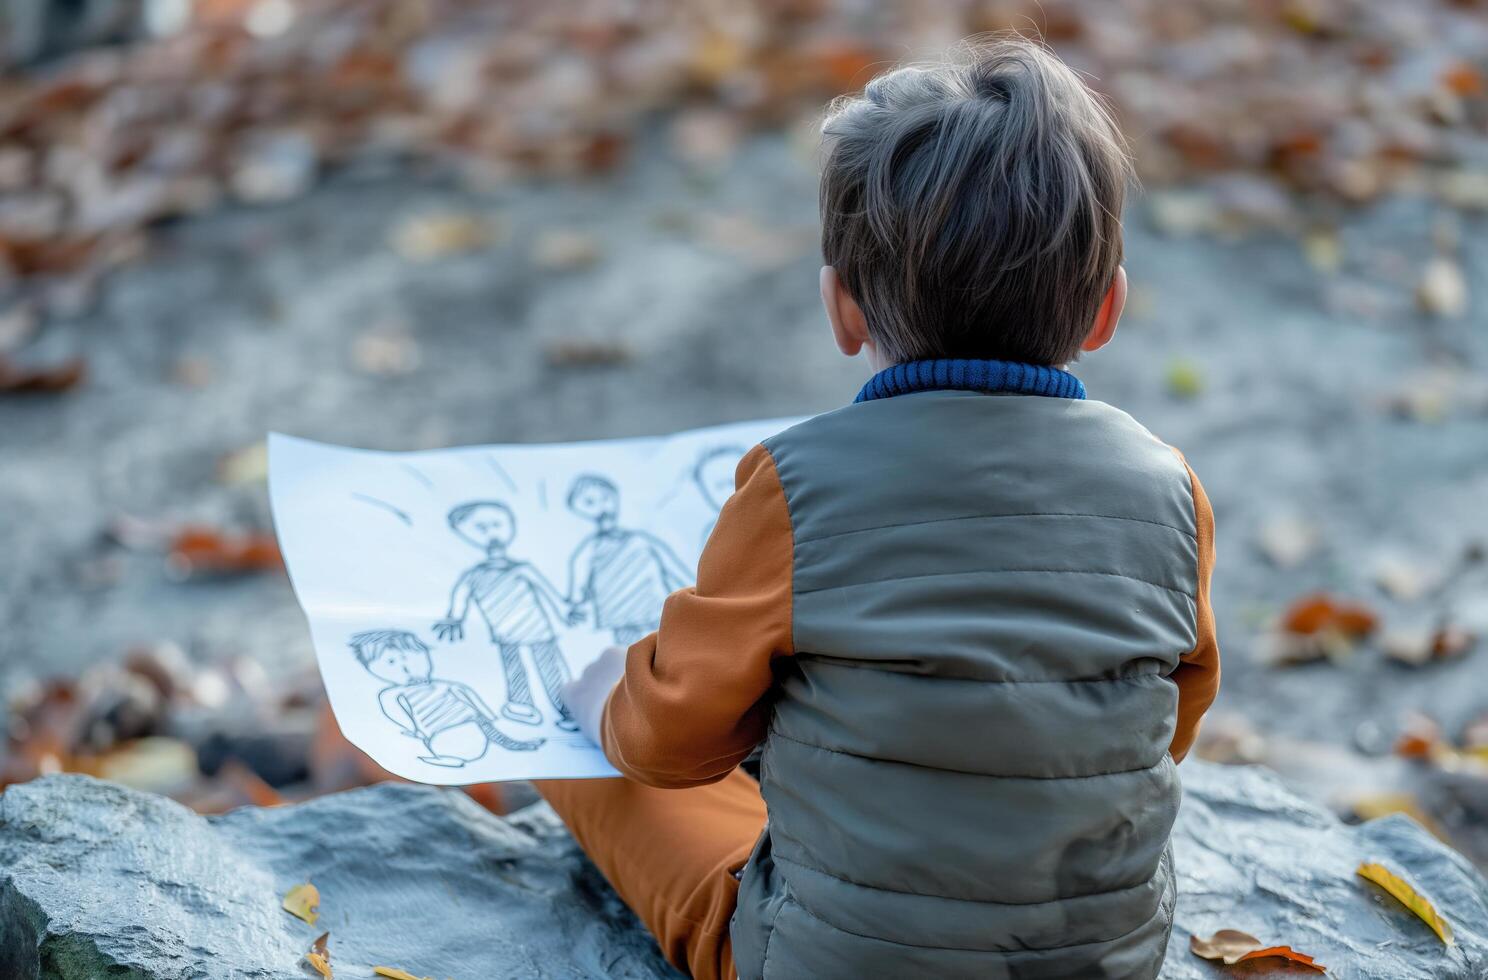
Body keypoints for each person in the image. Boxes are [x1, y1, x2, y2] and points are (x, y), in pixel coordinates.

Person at [537, 37, 1221, 980]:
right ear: (1107, 310)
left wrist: (606, 697)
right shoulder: (1168, 488)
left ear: (842, 307)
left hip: (825, 963)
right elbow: (1172, 717)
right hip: (1104, 960)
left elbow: (671, 741)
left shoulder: (797, 482)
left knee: (615, 781)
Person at [434, 501, 578, 731]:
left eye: (497, 525)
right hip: (504, 632)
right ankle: (521, 706)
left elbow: (548, 592)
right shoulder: (474, 575)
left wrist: (564, 610)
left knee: (551, 668)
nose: (492, 534)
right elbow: (461, 596)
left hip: (537, 628)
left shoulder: (522, 568)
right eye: (481, 529)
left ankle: (570, 709)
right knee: (514, 669)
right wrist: (455, 618)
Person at [348, 629, 543, 766]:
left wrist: (489, 716)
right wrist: (413, 730)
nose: (405, 665)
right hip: (437, 733)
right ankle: (446, 757)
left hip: (471, 725)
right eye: (391, 661)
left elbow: (469, 697)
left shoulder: (446, 685)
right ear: (372, 668)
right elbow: (396, 712)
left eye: (414, 655)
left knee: (481, 723)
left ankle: (513, 745)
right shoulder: (393, 694)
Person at [565, 474, 694, 645]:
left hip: (655, 608)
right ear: (578, 509)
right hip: (620, 616)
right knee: (632, 655)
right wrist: (575, 604)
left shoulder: (641, 540)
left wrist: (695, 590)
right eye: (589, 503)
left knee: (669, 648)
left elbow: (672, 567)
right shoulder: (589, 550)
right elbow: (579, 583)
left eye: (606, 498)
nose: (602, 507)